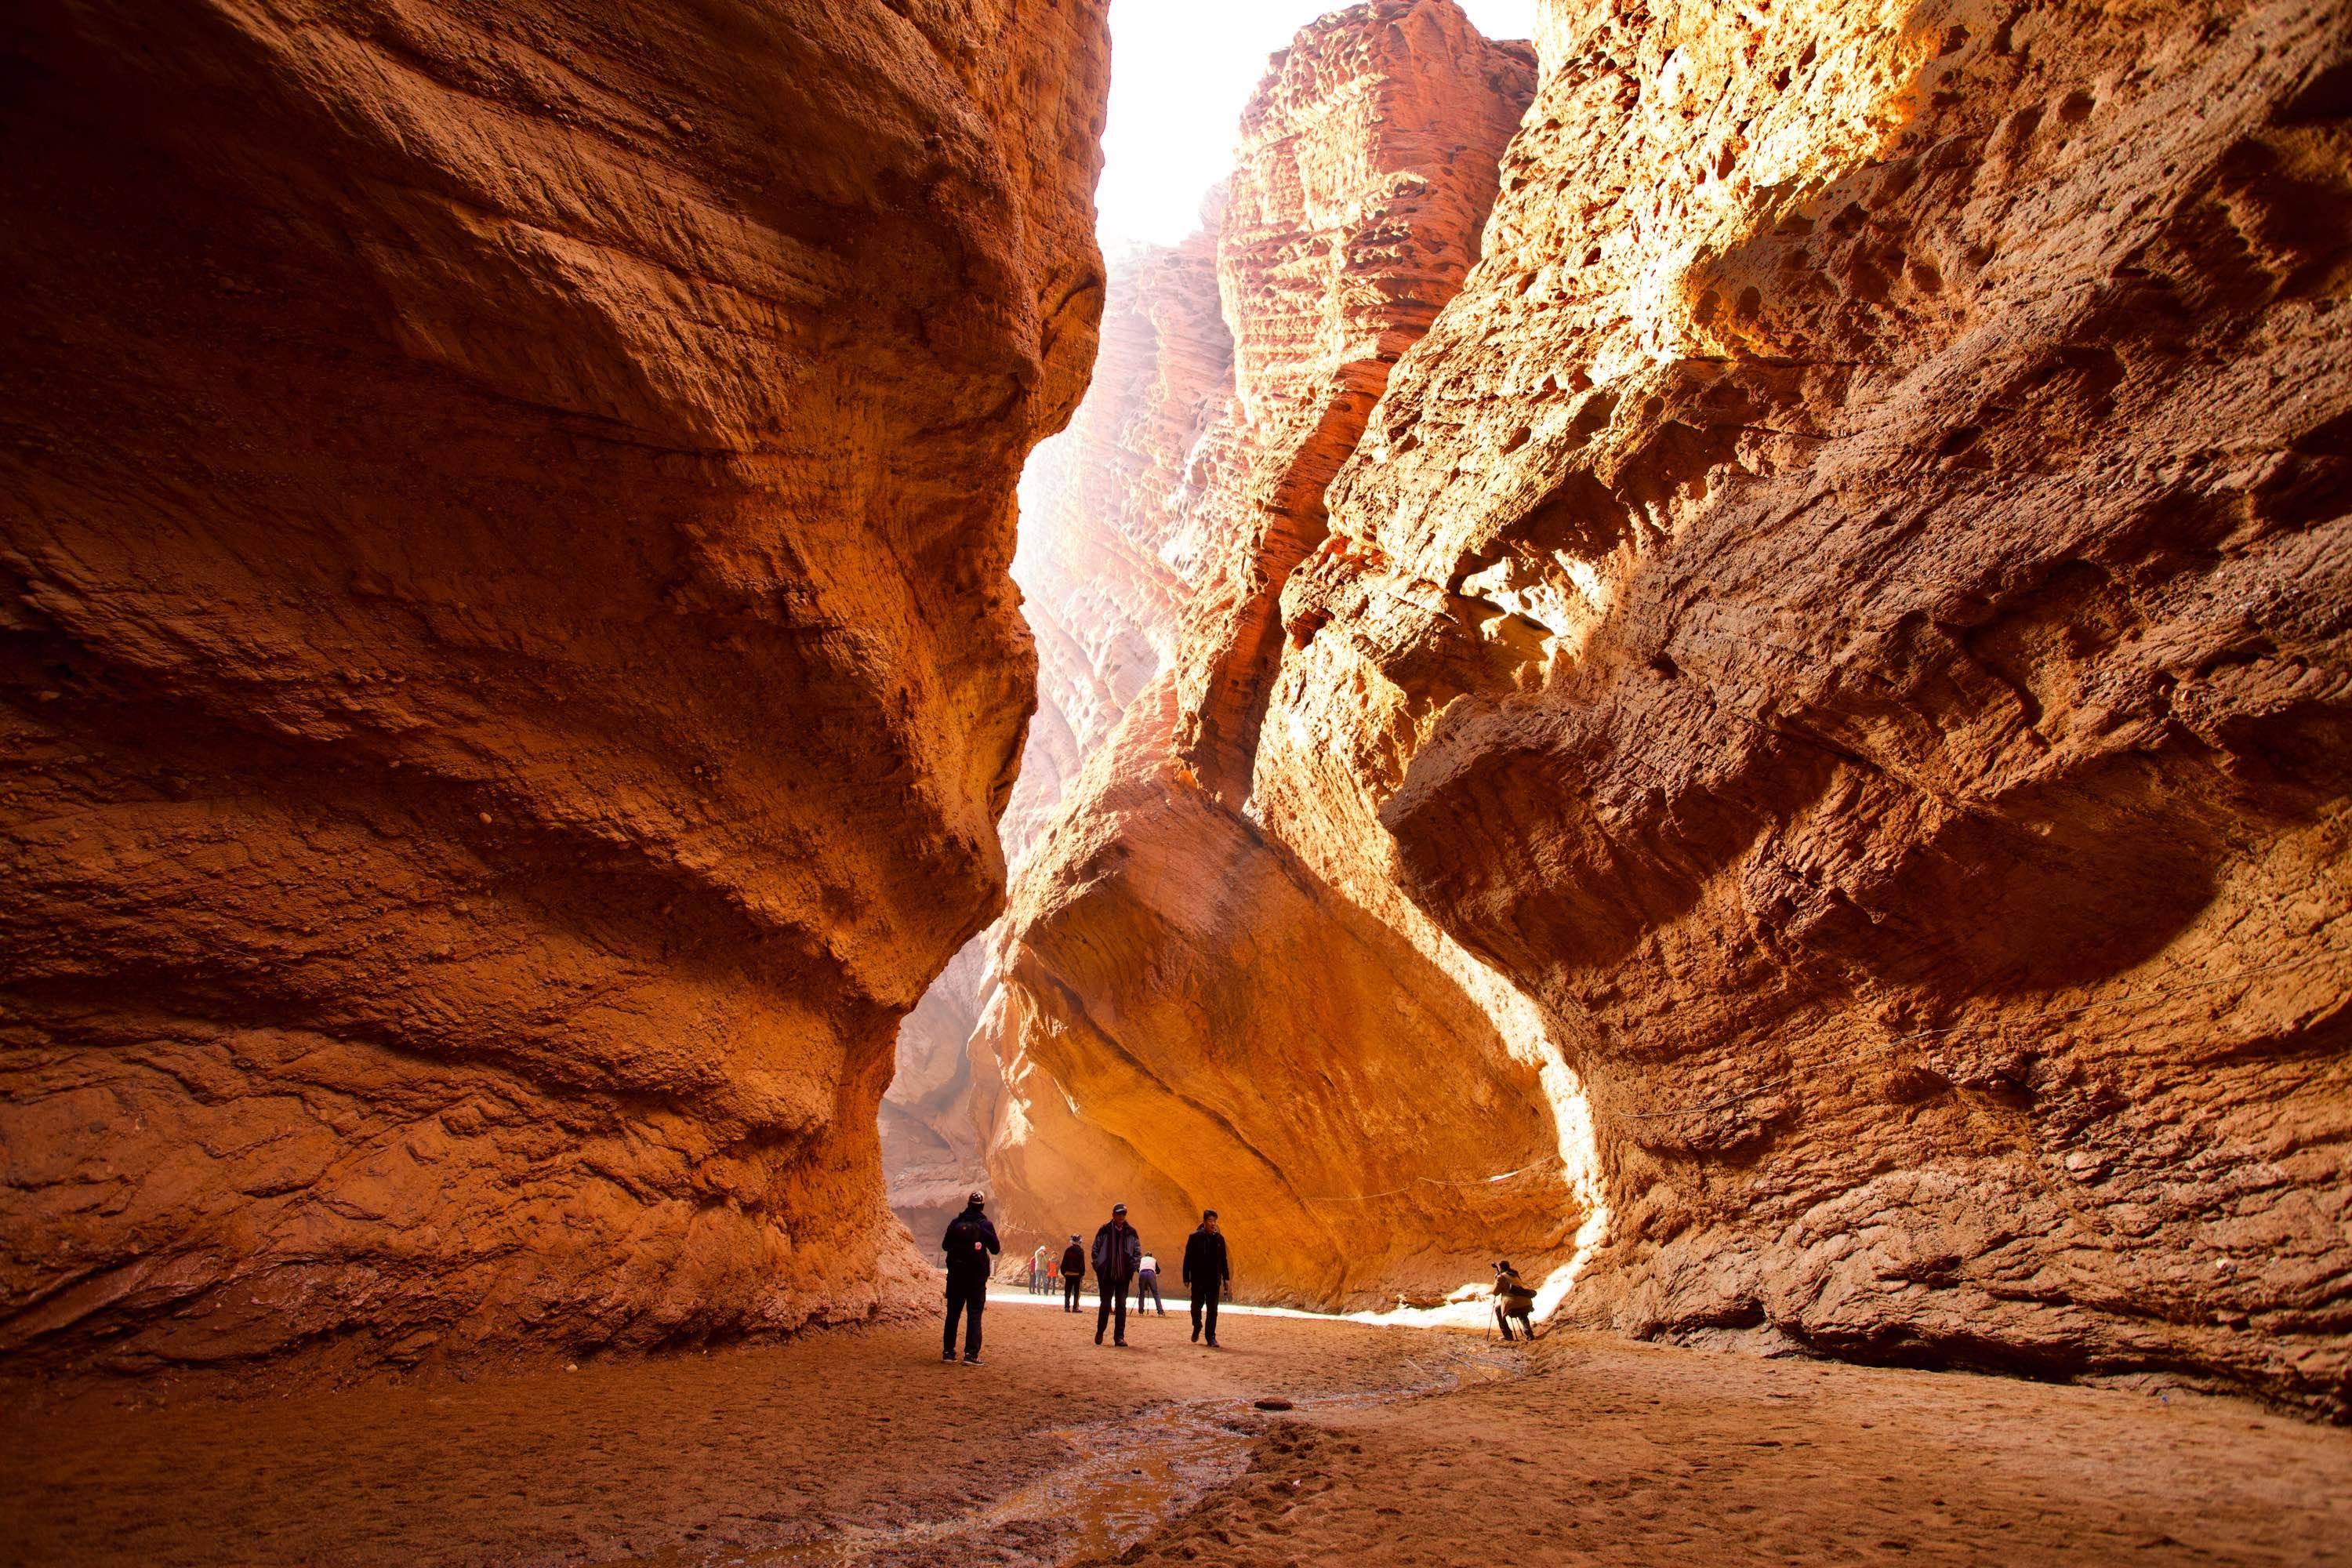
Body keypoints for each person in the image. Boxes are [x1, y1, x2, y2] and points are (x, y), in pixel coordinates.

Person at [939, 1191, 999, 1365]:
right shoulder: (985, 1225)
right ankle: (971, 1354)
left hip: (956, 1276)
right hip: (976, 1278)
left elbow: (945, 1246)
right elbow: (995, 1249)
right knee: (974, 1315)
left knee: (953, 1314)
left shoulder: (956, 1223)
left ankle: (948, 1352)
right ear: (982, 1206)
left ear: (968, 1204)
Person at [1091, 1203, 1142, 1346]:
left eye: (1123, 1214)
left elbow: (1137, 1251)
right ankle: (1100, 1331)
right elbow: (1095, 1249)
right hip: (1107, 1275)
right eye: (1119, 1214)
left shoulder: (1131, 1232)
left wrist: (1132, 1266)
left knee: (1121, 1305)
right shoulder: (1104, 1230)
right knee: (1105, 1304)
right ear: (1113, 1215)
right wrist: (1099, 1267)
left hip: (1123, 1275)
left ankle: (1119, 1337)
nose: (1121, 1217)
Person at [1182, 1210, 1230, 1348]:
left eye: (1215, 1221)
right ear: (1204, 1222)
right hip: (1198, 1280)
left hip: (1214, 1280)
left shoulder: (1220, 1239)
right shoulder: (1194, 1238)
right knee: (1195, 1307)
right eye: (1210, 1221)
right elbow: (1188, 1258)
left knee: (1213, 1310)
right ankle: (1197, 1325)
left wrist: (1226, 1278)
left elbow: (1224, 1260)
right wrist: (1186, 1277)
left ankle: (1211, 1337)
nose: (1213, 1224)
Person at [1492, 1260, 1539, 1342]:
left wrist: (1496, 1279)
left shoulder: (1501, 1277)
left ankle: (1508, 1335)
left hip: (1513, 1305)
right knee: (1522, 1313)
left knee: (1498, 1309)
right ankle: (1529, 1333)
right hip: (1526, 1302)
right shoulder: (1515, 1275)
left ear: (1500, 1268)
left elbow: (1495, 1293)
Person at [1134, 1248, 1165, 1316]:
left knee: (1141, 1293)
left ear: (1145, 1256)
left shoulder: (1142, 1259)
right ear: (1151, 1256)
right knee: (1155, 1293)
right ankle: (1160, 1312)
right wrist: (1155, 1273)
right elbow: (1158, 1271)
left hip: (1142, 1274)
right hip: (1151, 1274)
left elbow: (1137, 1269)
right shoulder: (1154, 1260)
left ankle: (1141, 1312)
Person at [1059, 1233, 1086, 1312]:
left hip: (1068, 1274)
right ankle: (1075, 1308)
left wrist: (1064, 1272)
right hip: (1077, 1275)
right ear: (1080, 1241)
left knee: (1067, 1291)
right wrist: (1082, 1273)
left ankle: (1066, 1307)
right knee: (1077, 1292)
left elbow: (1064, 1263)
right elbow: (1082, 1263)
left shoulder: (1068, 1250)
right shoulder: (1080, 1251)